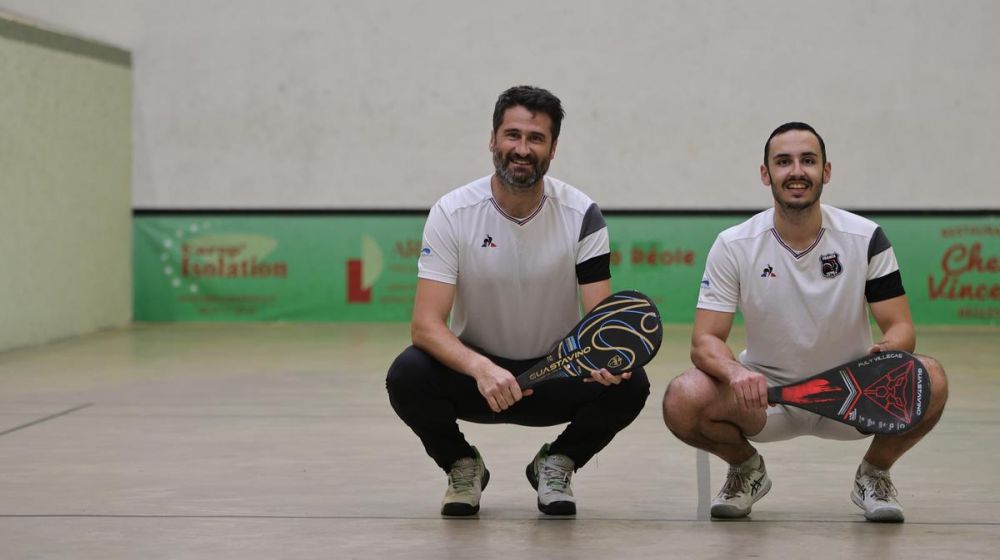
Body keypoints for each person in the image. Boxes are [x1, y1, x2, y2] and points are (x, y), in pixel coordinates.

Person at [662, 122, 948, 522]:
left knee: (930, 379)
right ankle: (747, 469)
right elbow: (705, 340)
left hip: (853, 396)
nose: (797, 171)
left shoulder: (866, 238)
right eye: (784, 162)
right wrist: (734, 372)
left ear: (825, 172)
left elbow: (901, 327)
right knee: (682, 397)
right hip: (768, 400)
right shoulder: (733, 245)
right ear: (766, 174)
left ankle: (875, 474)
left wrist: (888, 351)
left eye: (808, 161)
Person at [386, 85, 650, 517]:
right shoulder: (452, 212)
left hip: (557, 374)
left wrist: (606, 362)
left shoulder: (583, 215)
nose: (521, 149)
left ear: (553, 148)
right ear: (493, 140)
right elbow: (425, 326)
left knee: (631, 384)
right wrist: (481, 367)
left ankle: (557, 461)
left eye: (535, 138)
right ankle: (460, 463)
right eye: (512, 135)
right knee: (408, 374)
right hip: (479, 380)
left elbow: (599, 322)